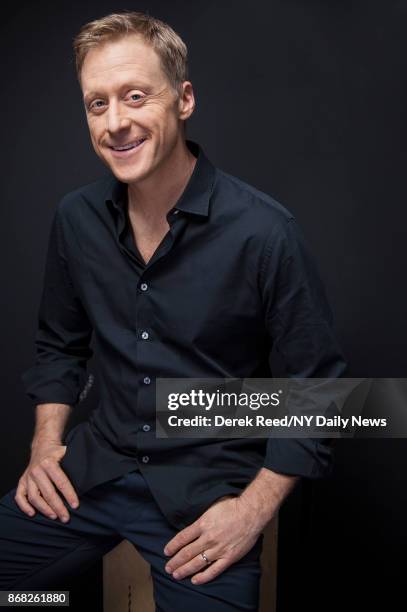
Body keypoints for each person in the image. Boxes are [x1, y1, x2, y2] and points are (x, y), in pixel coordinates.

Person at [0, 10, 347, 611]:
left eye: (136, 96)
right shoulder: (75, 219)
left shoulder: (265, 233)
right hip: (94, 472)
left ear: (184, 100)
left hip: (208, 499)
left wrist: (252, 511)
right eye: (97, 103)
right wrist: (44, 446)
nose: (116, 122)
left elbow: (320, 393)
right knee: (27, 597)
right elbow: (59, 345)